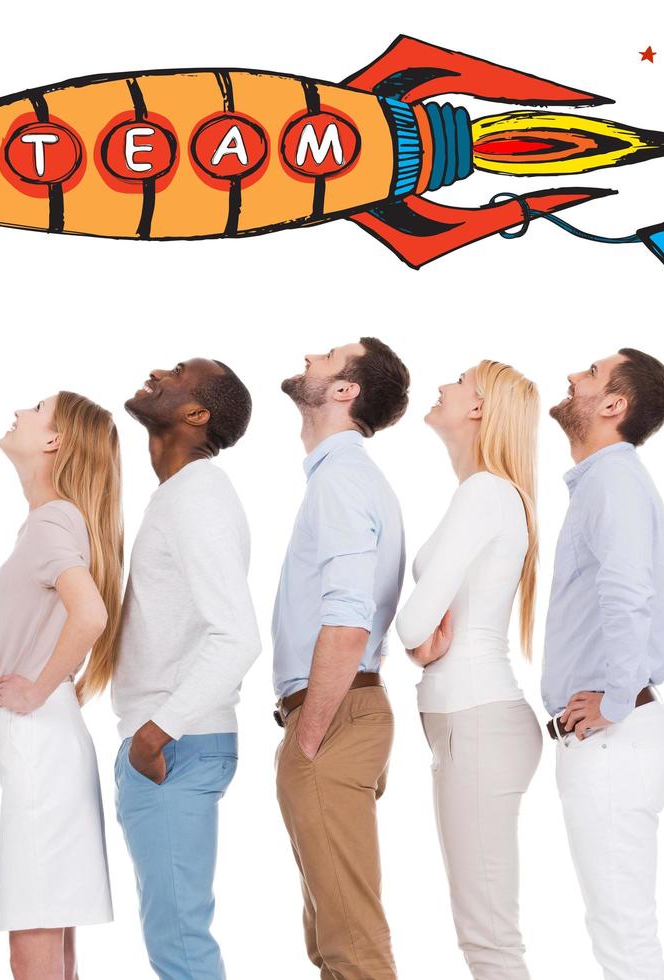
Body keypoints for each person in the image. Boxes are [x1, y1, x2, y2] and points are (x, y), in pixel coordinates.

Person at [113, 359, 261, 980]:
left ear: (196, 415)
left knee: (179, 946)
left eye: (175, 373)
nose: (155, 371)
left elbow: (238, 636)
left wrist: (156, 732)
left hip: (176, 746)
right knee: (173, 939)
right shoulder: (179, 497)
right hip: (173, 742)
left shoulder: (197, 496)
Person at [395, 360, 544, 979]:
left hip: (476, 724)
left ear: (480, 408)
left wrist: (416, 641)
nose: (443, 386)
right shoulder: (486, 493)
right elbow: (420, 629)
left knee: (488, 939)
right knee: (482, 930)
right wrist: (420, 641)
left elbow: (411, 625)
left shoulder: (485, 492)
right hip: (471, 723)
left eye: (459, 381)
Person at [272, 338, 410, 979]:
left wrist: (309, 734)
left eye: (326, 356)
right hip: (342, 710)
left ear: (345, 390)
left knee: (351, 948)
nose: (309, 356)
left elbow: (349, 619)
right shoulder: (345, 478)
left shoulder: (342, 480)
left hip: (332, 715)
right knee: (336, 943)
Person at [542, 348, 664, 980]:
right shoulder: (602, 481)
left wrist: (616, 700)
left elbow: (628, 593)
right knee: (614, 927)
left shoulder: (613, 480)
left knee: (623, 932)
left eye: (589, 375)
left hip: (615, 737)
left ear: (613, 405)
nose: (572, 376)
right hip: (606, 739)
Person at [0, 392, 122, 979]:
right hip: (49, 741)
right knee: (50, 929)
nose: (19, 409)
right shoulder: (54, 519)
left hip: (41, 740)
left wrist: (37, 689)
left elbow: (88, 614)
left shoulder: (50, 521)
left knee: (34, 935)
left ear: (53, 440)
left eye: (35, 407)